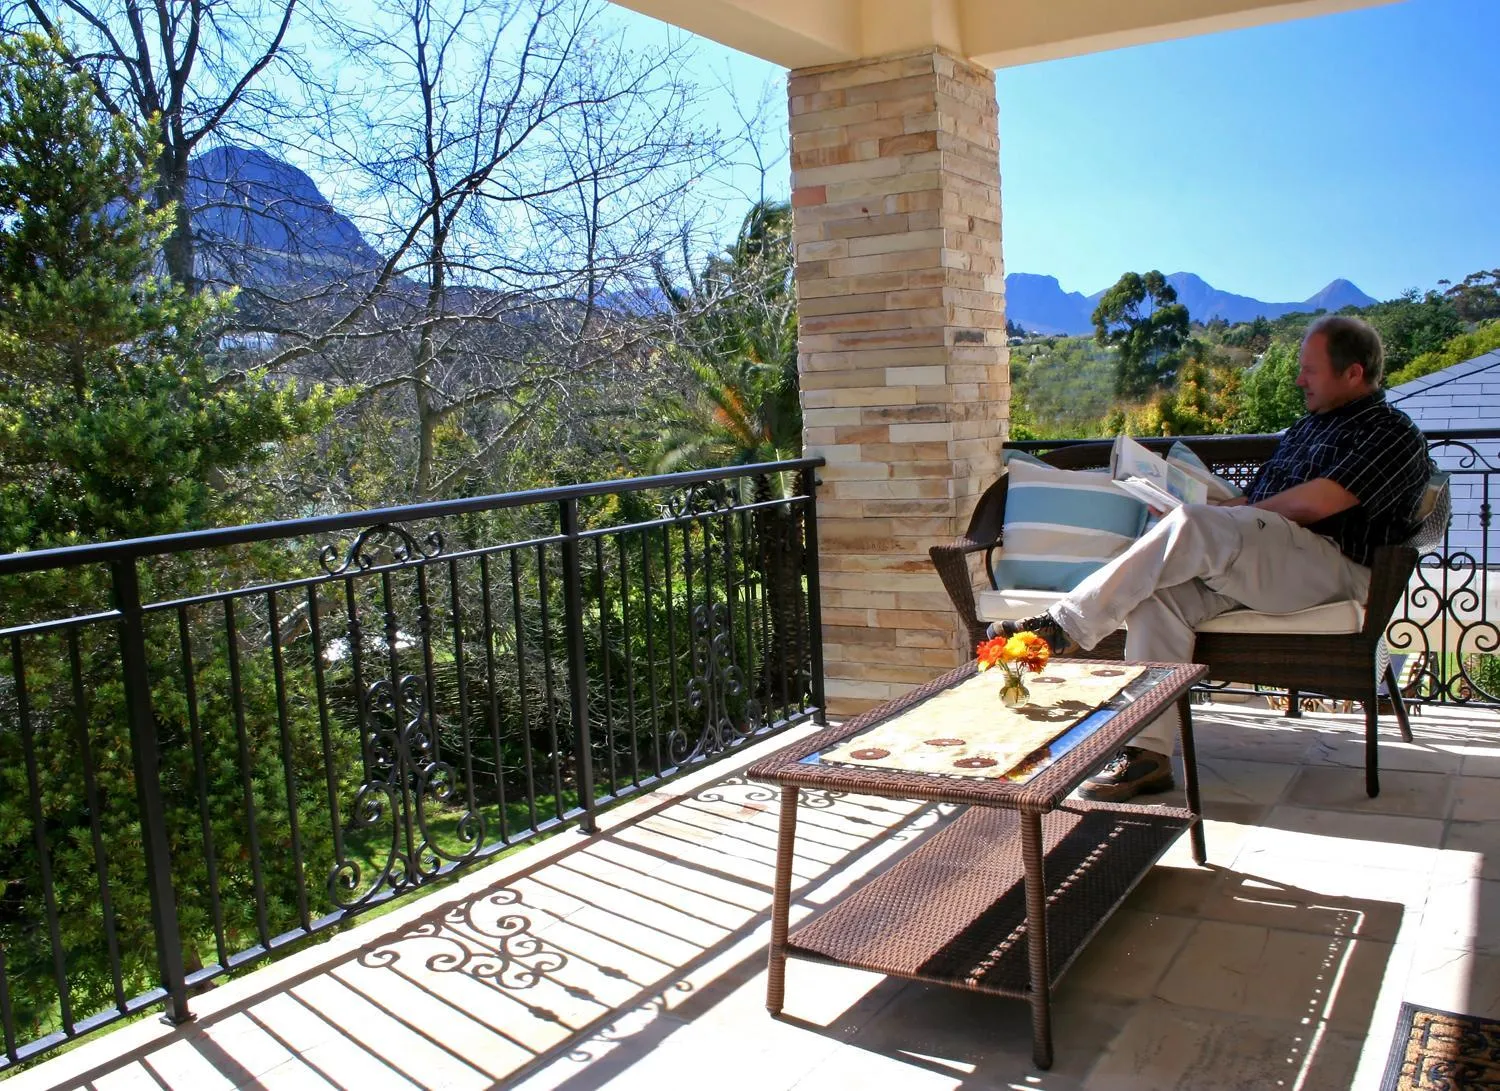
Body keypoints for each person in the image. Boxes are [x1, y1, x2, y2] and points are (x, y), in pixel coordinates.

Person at [996, 315, 1431, 802]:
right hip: (1273, 561)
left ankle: (1065, 626)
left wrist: (1211, 519)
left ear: (1353, 373)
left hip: (1334, 568)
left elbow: (1318, 504)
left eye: (1309, 370)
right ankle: (1146, 754)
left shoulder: (1389, 432)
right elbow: (1259, 501)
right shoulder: (1308, 428)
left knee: (1197, 524)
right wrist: (1196, 509)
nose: (1298, 380)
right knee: (1158, 598)